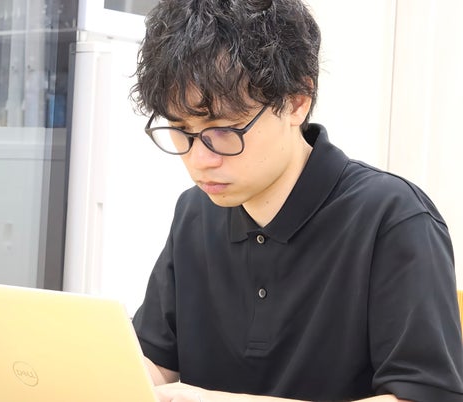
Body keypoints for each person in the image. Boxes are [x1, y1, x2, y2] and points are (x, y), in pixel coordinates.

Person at [129, 1, 463, 401]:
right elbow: (154, 365)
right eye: (182, 130)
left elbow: (423, 395)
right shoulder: (194, 213)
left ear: (297, 100)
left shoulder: (392, 218)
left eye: (224, 130)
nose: (200, 159)